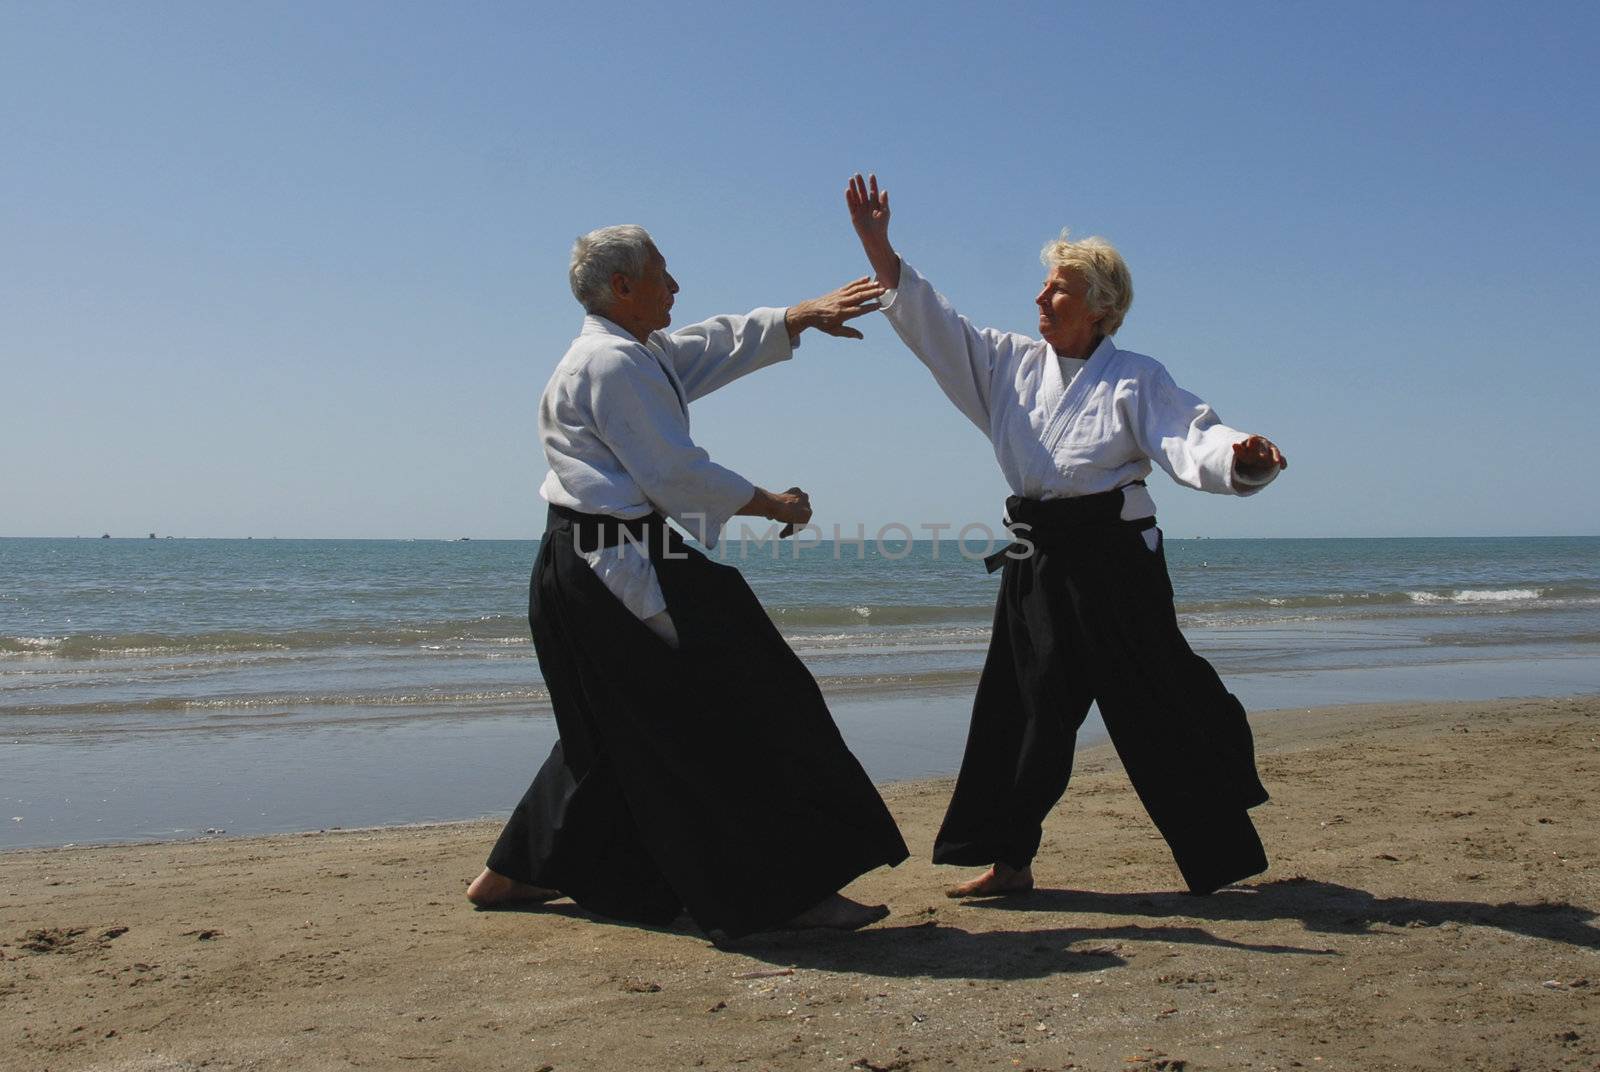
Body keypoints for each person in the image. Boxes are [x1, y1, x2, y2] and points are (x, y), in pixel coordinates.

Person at [844, 174, 1287, 898]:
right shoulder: (1008, 365)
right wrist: (877, 245)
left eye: (1058, 290)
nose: (1041, 299)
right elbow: (934, 325)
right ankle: (1010, 862)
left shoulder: (1136, 380)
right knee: (1024, 711)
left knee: (1158, 707)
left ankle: (1221, 862)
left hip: (1116, 561)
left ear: (1101, 307)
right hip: (1039, 557)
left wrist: (1239, 458)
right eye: (1044, 287)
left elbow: (1189, 437)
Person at [467, 225, 908, 935]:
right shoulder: (611, 365)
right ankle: (790, 893)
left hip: (580, 565)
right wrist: (775, 504)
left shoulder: (634, 354)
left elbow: (709, 345)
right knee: (755, 699)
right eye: (663, 274)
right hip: (616, 563)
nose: (676, 287)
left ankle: (516, 868)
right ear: (623, 288)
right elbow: (676, 474)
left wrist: (799, 315)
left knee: (610, 723)